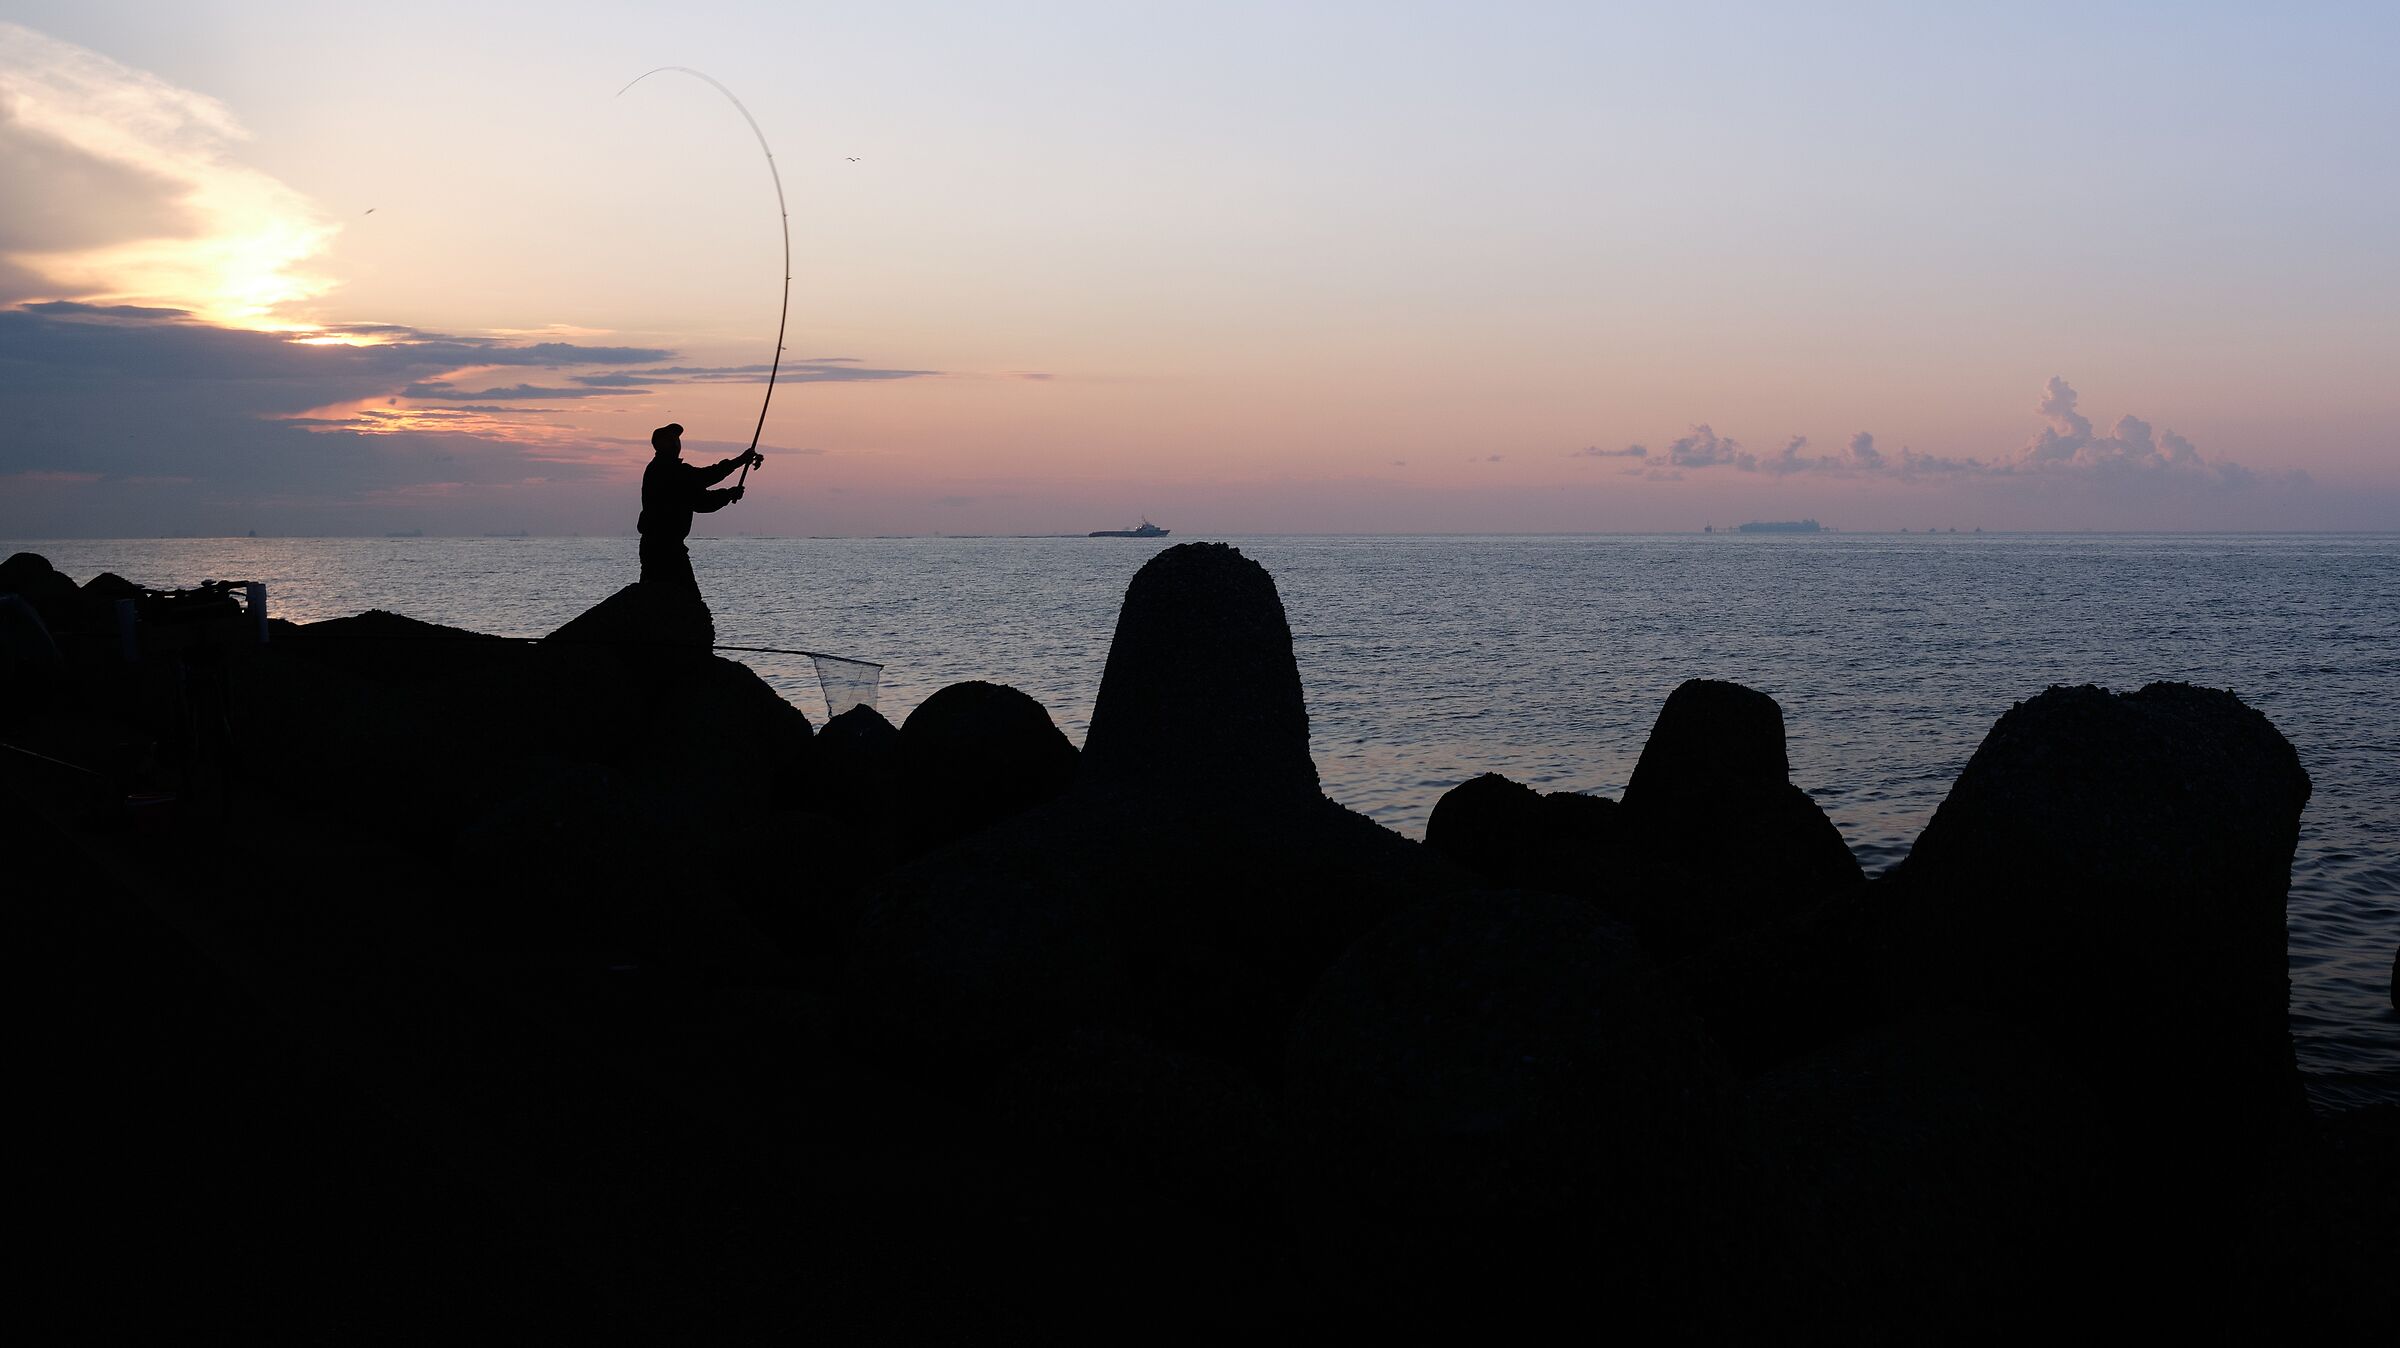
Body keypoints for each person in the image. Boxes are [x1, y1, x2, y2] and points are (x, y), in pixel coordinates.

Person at [638, 423, 761, 594]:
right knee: (683, 598)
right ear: (665, 444)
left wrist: (728, 494)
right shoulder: (666, 470)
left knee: (663, 596)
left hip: (665, 547)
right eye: (674, 440)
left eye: (677, 440)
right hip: (663, 548)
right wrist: (739, 461)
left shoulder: (671, 472)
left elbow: (702, 502)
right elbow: (706, 477)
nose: (677, 444)